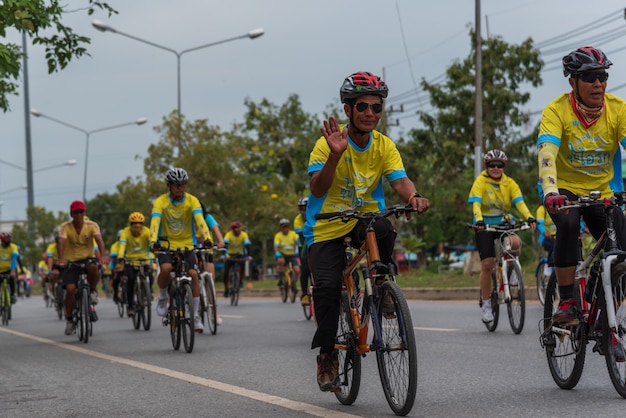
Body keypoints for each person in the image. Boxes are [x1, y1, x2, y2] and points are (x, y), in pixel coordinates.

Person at [303, 71, 430, 392]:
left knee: (384, 225)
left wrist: (413, 197)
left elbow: (400, 182)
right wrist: (335, 154)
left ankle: (383, 282)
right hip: (326, 224)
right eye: (363, 107)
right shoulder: (325, 145)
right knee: (328, 288)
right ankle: (328, 355)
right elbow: (317, 189)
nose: (371, 113)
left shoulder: (385, 145)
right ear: (348, 110)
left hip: (364, 218)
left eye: (377, 107)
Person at [538, 46, 626, 328]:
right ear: (572, 82)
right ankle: (566, 301)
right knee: (567, 225)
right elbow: (547, 153)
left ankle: (606, 311)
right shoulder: (556, 111)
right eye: (590, 76)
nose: (598, 83)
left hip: (603, 192)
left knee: (623, 251)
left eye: (602, 76)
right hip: (564, 190)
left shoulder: (618, 110)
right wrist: (551, 191)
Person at [468, 149, 536, 324]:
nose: (496, 168)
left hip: (503, 222)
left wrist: (529, 216)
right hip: (484, 225)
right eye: (492, 165)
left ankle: (508, 272)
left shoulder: (510, 182)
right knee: (487, 264)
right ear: (487, 166)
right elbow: (476, 204)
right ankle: (486, 305)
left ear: (504, 166)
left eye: (500, 165)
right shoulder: (481, 181)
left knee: (514, 242)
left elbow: (519, 202)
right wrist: (479, 219)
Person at [149, 167, 212, 334]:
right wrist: (153, 240)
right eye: (176, 185)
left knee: (193, 274)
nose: (180, 189)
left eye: (183, 185)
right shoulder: (161, 201)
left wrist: (207, 237)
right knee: (166, 269)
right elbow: (155, 221)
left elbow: (200, 220)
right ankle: (163, 298)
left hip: (187, 245)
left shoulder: (192, 200)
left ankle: (195, 315)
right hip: (167, 245)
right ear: (169, 186)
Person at [57, 200, 107, 335]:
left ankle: (91, 291)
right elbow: (61, 241)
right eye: (76, 212)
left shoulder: (92, 225)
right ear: (71, 214)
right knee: (71, 289)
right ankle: (69, 320)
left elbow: (99, 240)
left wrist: (103, 256)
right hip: (71, 262)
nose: (78, 215)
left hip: (87, 259)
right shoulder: (65, 227)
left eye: (81, 212)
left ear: (85, 213)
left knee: (93, 267)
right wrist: (61, 258)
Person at [117, 212, 152, 317]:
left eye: (139, 223)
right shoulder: (125, 232)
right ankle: (130, 306)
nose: (137, 226)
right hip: (130, 261)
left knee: (150, 276)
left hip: (144, 260)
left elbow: (152, 243)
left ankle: (146, 295)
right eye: (134, 224)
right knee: (131, 280)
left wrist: (157, 249)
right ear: (130, 224)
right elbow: (122, 245)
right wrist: (120, 256)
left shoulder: (147, 232)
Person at [203, 210, 225, 325]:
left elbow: (216, 229)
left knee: (211, 279)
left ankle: (214, 312)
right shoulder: (187, 217)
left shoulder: (207, 217)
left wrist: (221, 242)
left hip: (206, 250)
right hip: (191, 248)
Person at [222, 221, 251, 297]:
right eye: (237, 229)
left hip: (239, 254)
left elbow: (247, 245)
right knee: (226, 272)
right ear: (233, 230)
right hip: (229, 255)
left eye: (240, 229)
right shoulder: (228, 235)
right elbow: (225, 245)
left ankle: (240, 280)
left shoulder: (244, 235)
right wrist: (224, 255)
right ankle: (226, 288)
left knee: (242, 264)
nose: (238, 231)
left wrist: (249, 256)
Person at [294, 197, 312, 305]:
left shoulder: (315, 214)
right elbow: (302, 237)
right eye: (301, 208)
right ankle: (304, 294)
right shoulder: (297, 220)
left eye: (305, 207)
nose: (303, 210)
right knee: (304, 270)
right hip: (304, 245)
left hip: (316, 242)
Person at [274, 218, 301, 288]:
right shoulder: (278, 235)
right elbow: (276, 246)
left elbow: (297, 242)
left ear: (289, 227)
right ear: (280, 228)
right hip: (282, 255)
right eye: (283, 227)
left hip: (292, 255)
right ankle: (281, 279)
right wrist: (277, 252)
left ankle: (293, 283)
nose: (285, 229)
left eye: (287, 227)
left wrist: (297, 245)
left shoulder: (293, 234)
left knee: (297, 270)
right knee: (281, 261)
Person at [0, 232, 19, 304]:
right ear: (2, 241)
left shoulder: (13, 246)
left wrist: (13, 270)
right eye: (7, 240)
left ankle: (12, 295)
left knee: (11, 279)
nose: (9, 242)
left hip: (9, 269)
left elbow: (14, 258)